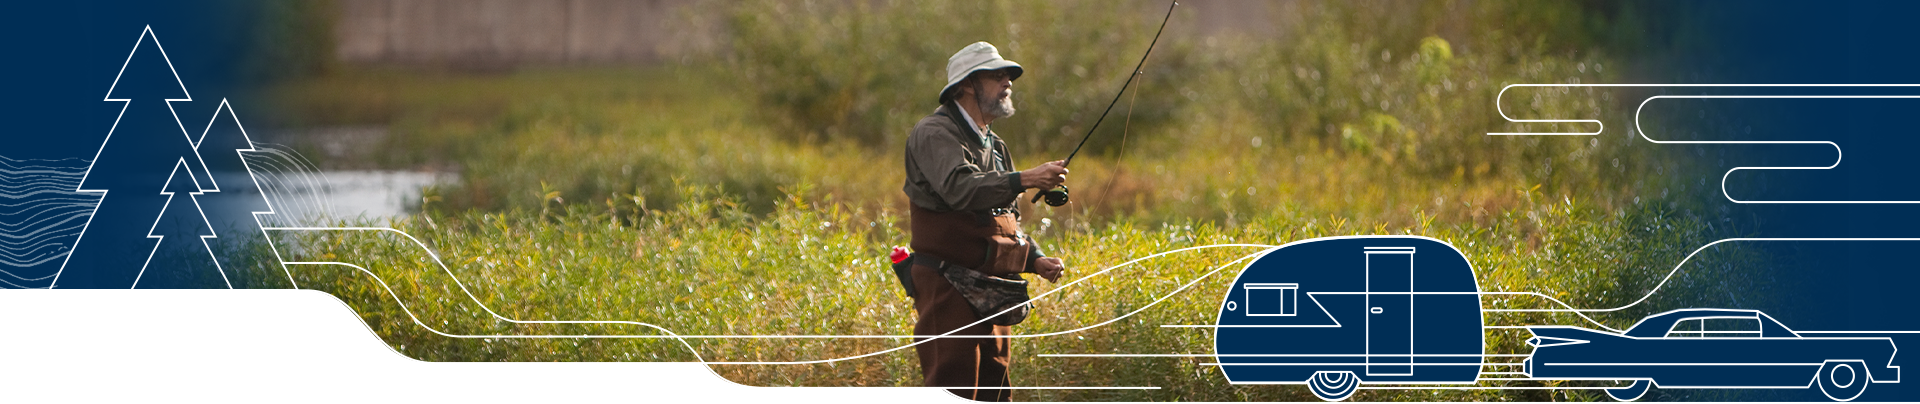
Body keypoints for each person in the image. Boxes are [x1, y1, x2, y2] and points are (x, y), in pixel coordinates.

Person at [902, 41, 1068, 401]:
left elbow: (1005, 219)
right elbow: (959, 189)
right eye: (995, 76)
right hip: (946, 282)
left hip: (992, 285)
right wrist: (1024, 178)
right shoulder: (934, 133)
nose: (1007, 82)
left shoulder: (996, 145)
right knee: (954, 385)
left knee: (995, 387)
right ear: (966, 85)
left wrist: (1034, 258)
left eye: (1008, 76)